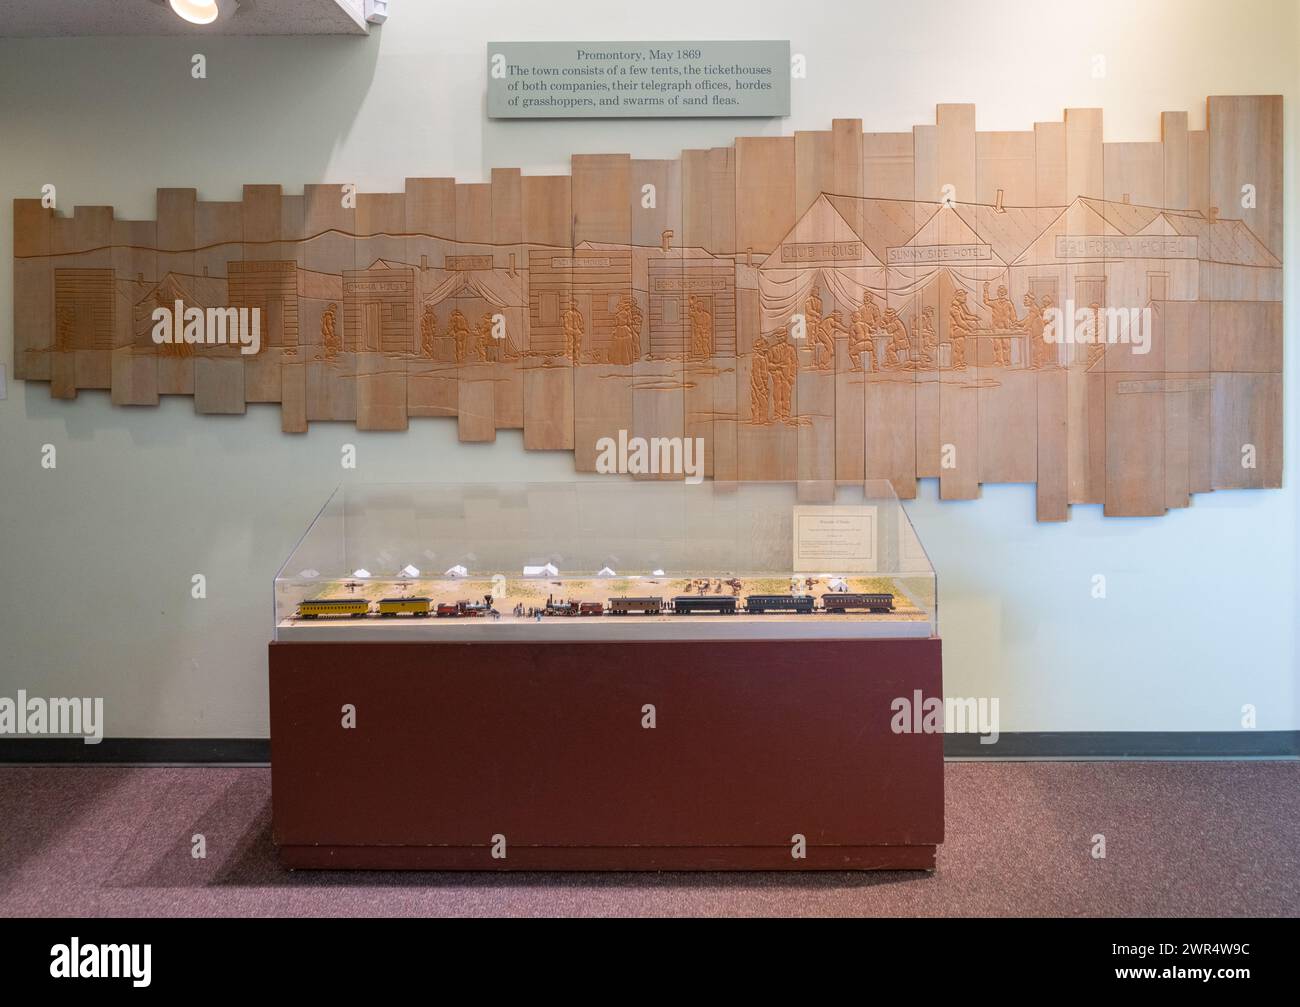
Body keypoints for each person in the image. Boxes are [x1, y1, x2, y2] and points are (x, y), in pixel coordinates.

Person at [948, 290, 980, 370]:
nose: (965, 298)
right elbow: (960, 322)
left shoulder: (959, 307)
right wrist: (969, 328)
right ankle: (957, 364)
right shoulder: (954, 308)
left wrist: (974, 318)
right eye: (963, 296)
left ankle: (960, 362)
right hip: (956, 330)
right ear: (957, 297)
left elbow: (965, 316)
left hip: (960, 331)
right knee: (958, 348)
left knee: (961, 348)